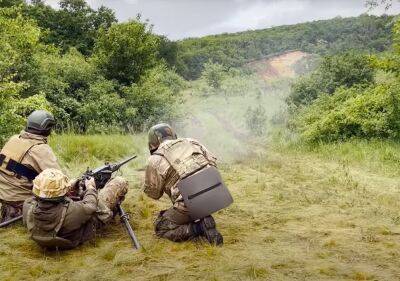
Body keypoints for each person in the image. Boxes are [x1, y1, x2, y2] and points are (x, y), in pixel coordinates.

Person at [144, 123, 231, 246]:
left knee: (160, 227)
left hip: (190, 202)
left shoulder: (155, 158)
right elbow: (213, 163)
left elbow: (153, 194)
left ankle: (199, 228)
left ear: (152, 142)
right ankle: (203, 215)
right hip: (217, 193)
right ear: (173, 134)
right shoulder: (192, 141)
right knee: (190, 201)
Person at [23, 168, 128, 250]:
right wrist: (91, 188)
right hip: (75, 237)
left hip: (57, 236)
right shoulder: (74, 211)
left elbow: (42, 197)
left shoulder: (28, 206)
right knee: (120, 181)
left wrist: (69, 186)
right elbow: (90, 205)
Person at [0, 110, 60, 223]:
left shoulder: (14, 139)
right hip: (21, 200)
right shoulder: (40, 149)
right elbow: (59, 179)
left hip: (4, 195)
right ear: (47, 129)